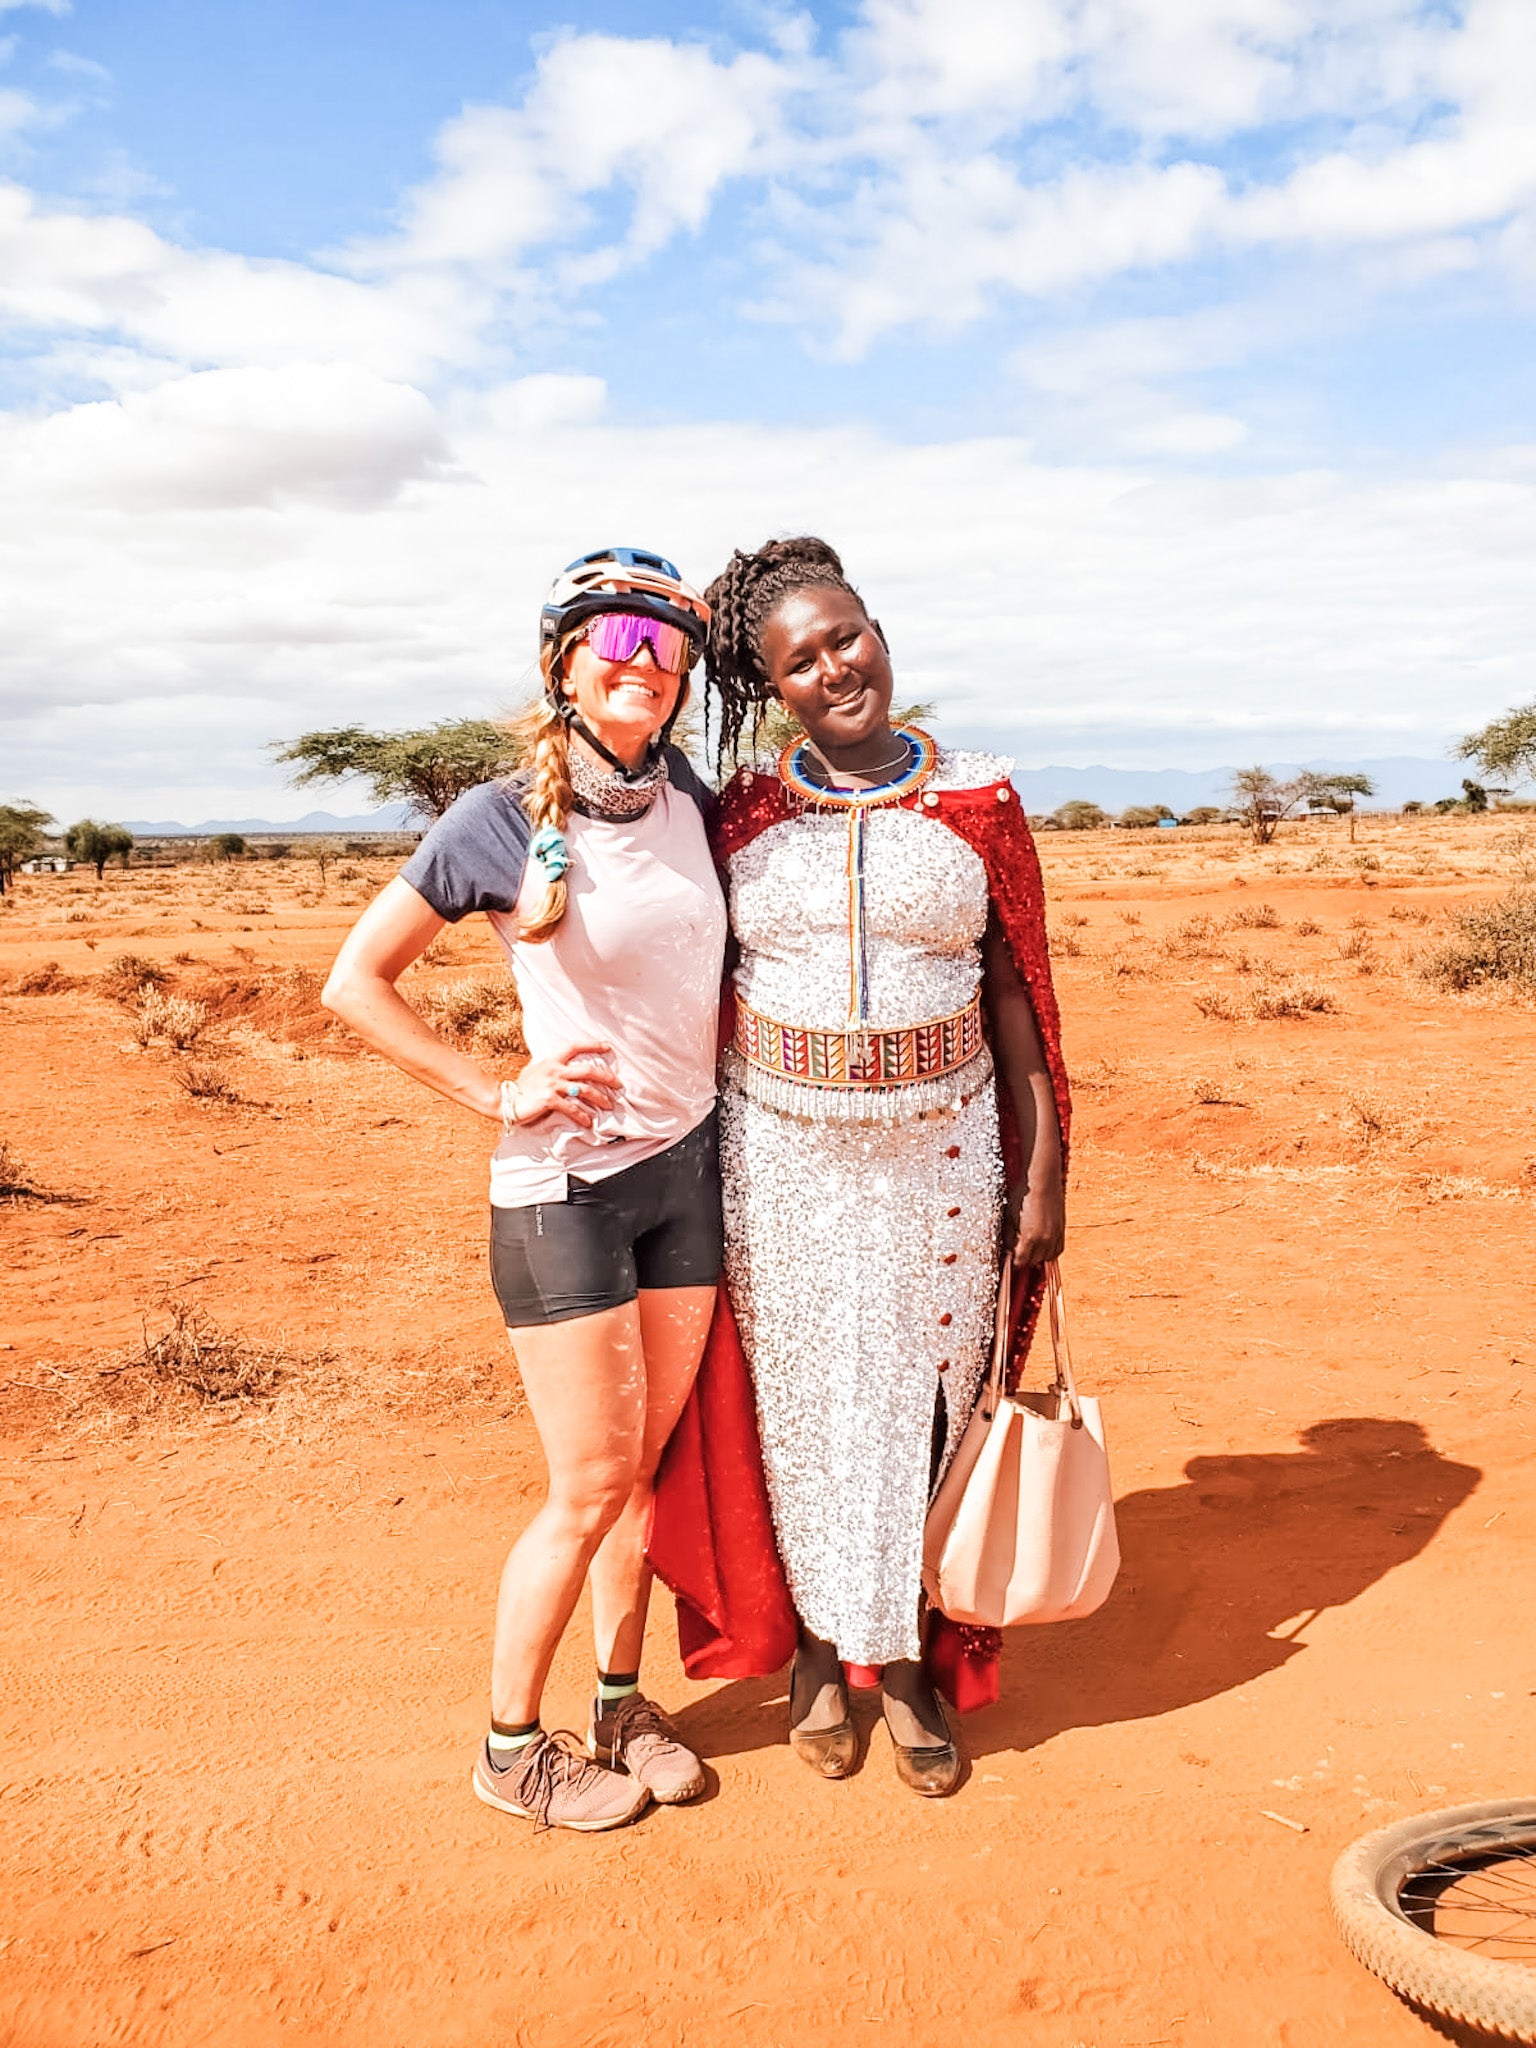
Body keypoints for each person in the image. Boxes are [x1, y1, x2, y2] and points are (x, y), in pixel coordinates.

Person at [321, 547, 728, 1833]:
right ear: (563, 663)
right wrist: (497, 1086)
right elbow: (353, 983)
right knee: (588, 1478)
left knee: (646, 1469)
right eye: (615, 649)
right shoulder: (499, 817)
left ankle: (620, 1699)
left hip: (689, 1169)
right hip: (566, 1189)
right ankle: (509, 1747)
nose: (642, 675)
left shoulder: (696, 801)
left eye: (666, 655)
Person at [683, 534, 1071, 1796]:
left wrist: (1042, 1173)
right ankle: (808, 1650)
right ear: (770, 685)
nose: (837, 666)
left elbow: (1020, 993)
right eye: (800, 658)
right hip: (778, 1150)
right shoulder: (739, 808)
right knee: (799, 1404)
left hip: (946, 1145)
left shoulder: (978, 798)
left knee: (924, 1399)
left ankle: (902, 1661)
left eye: (850, 634)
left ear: (881, 632)